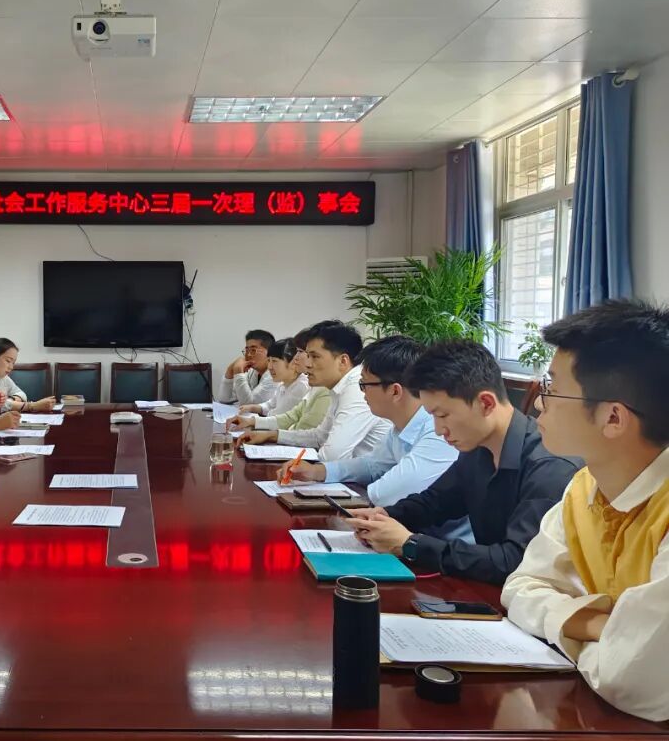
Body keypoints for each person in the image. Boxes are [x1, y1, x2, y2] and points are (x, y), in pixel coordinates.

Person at [502, 301, 669, 722]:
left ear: (613, 417)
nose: (538, 404)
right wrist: (598, 626)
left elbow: (631, 679)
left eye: (552, 388)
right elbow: (520, 588)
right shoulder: (585, 488)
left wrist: (591, 631)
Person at [347, 339, 579, 585]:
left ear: (485, 403)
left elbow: (514, 561)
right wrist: (384, 516)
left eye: (443, 415)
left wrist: (410, 544)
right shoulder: (477, 449)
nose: (438, 430)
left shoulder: (549, 466)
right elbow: (436, 502)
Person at [277, 336, 470, 542]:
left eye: (365, 385)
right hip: (413, 535)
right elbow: (372, 465)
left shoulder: (438, 431)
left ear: (395, 391)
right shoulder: (400, 427)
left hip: (446, 548)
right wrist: (318, 471)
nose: (362, 393)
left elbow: (386, 494)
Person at [235, 321, 390, 461]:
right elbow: (319, 436)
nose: (307, 364)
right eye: (307, 355)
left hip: (367, 480)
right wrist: (271, 435)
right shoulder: (338, 387)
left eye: (314, 357)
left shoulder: (357, 388)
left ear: (343, 361)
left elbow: (332, 456)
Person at [0, 337, 56, 412]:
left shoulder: (1, 375)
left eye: (13, 363)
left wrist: (11, 400)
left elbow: (21, 394)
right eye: (8, 361)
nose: (11, 367)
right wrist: (32, 406)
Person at [237, 338, 309, 418]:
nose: (270, 367)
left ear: (293, 362)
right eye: (268, 361)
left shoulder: (300, 387)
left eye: (274, 361)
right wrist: (252, 408)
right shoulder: (283, 384)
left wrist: (252, 421)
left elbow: (277, 418)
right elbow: (270, 405)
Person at [217, 329, 278, 405]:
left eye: (253, 350)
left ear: (269, 352)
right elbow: (224, 399)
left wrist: (238, 371)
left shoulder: (275, 375)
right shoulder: (251, 372)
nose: (248, 355)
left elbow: (249, 405)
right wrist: (230, 370)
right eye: (247, 350)